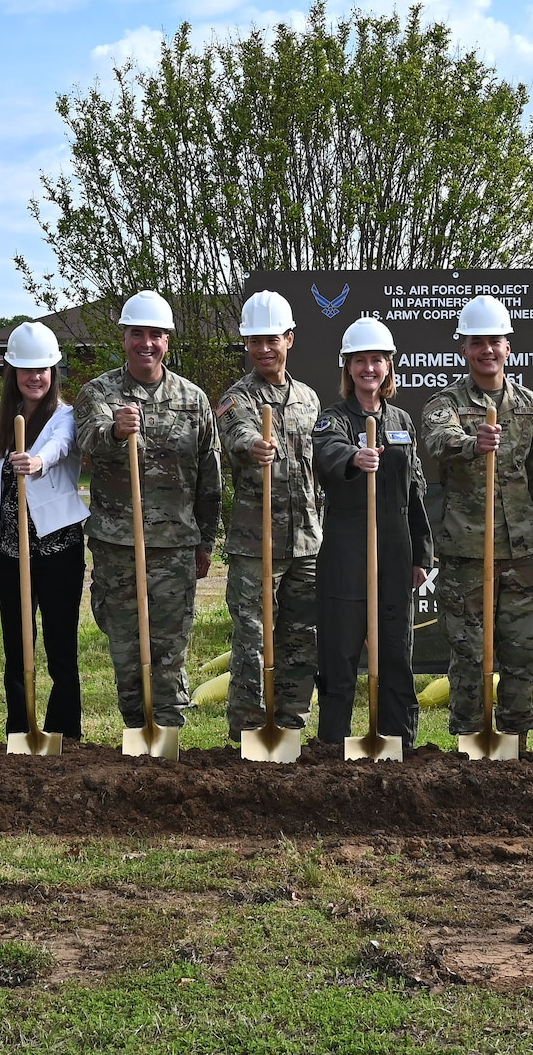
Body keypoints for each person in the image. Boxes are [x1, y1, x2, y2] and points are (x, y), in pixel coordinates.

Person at [74, 290, 222, 732]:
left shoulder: (192, 399)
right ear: (124, 338)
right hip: (119, 547)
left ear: (167, 341)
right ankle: (137, 734)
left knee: (170, 650)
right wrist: (116, 431)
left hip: (175, 547)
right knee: (126, 649)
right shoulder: (99, 392)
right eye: (137, 333)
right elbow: (87, 437)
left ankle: (169, 740)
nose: (147, 343)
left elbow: (208, 478)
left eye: (156, 335)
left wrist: (205, 543)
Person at [420, 294, 533, 750]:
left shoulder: (531, 404)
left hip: (521, 551)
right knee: (469, 654)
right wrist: (473, 443)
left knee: (521, 650)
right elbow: (438, 440)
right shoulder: (446, 402)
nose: (486, 351)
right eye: (477, 343)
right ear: (464, 349)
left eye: (494, 341)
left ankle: (514, 744)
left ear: (508, 346)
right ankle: (471, 745)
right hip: (467, 552)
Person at [312, 317, 433, 746]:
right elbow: (326, 453)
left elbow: (414, 486)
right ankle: (332, 744)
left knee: (396, 654)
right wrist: (354, 458)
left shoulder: (401, 419)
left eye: (377, 360)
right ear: (347, 367)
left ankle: (398, 742)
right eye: (360, 360)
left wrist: (422, 553)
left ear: (388, 367)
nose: (369, 368)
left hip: (395, 552)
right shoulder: (333, 419)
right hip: (346, 552)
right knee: (340, 654)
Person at [216, 291, 323, 735]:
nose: (263, 349)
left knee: (301, 640)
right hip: (256, 543)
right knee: (253, 643)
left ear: (289, 340)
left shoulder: (309, 399)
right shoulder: (236, 398)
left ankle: (292, 726)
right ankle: (248, 731)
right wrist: (252, 446)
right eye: (255, 341)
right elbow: (236, 434)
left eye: (271, 339)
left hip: (307, 543)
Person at [0, 321, 88, 739]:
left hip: (59, 551)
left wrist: (37, 461)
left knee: (60, 648)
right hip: (12, 554)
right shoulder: (4, 426)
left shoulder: (67, 417)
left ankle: (65, 731)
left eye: (42, 369)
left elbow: (58, 445)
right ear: (13, 373)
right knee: (16, 650)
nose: (34, 377)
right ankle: (20, 730)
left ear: (53, 372)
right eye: (26, 370)